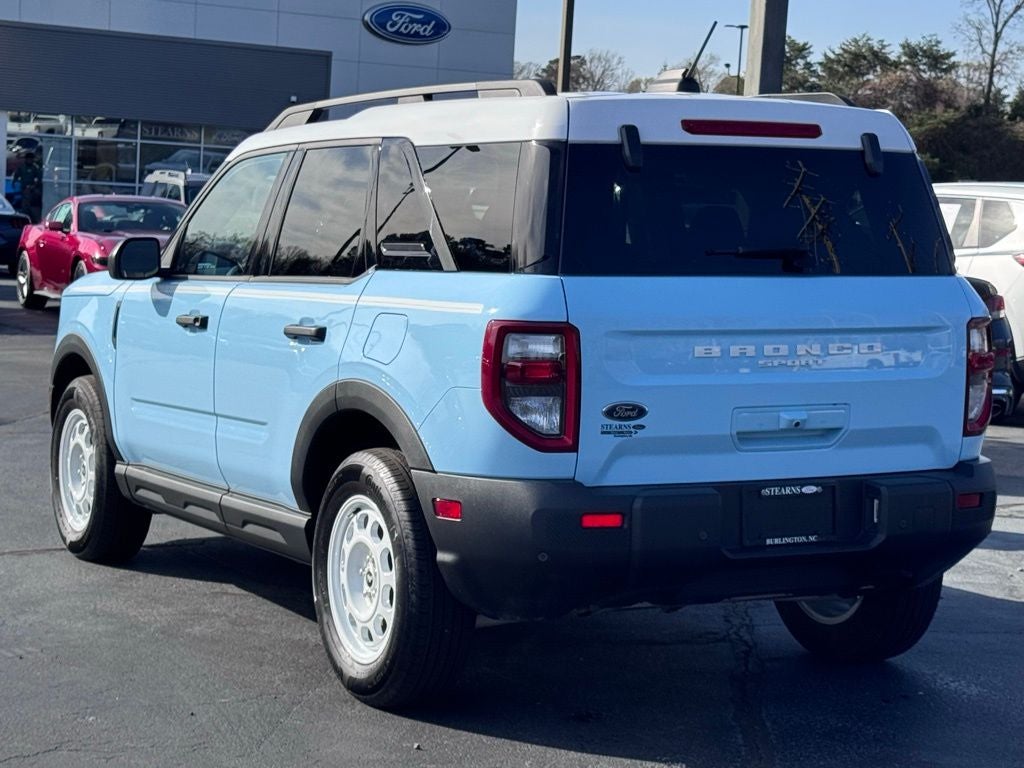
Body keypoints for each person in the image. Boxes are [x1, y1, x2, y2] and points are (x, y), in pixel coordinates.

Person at [12, 150, 42, 222]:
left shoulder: (35, 168)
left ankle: (30, 218)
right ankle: (26, 218)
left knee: (27, 205)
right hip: (23, 188)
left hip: (31, 189)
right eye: (28, 159)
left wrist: (33, 186)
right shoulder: (22, 167)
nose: (29, 160)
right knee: (25, 204)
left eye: (31, 159)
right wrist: (14, 182)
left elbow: (39, 179)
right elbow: (16, 175)